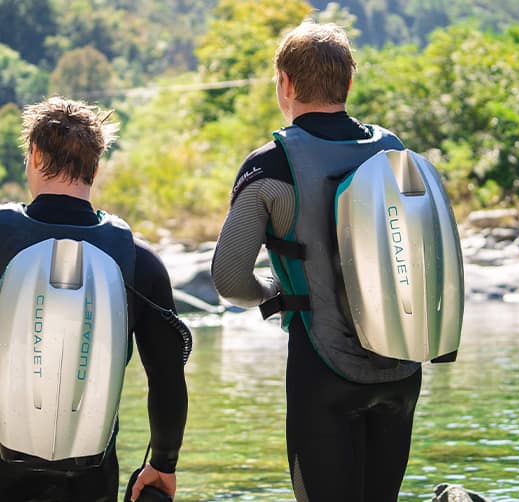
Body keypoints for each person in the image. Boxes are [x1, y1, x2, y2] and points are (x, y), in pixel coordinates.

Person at [0, 96, 187, 502]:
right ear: (96, 169)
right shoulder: (139, 260)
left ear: (34, 154)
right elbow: (167, 379)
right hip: (92, 476)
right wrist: (163, 463)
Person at [210, 23, 422, 501]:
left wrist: (273, 294)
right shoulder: (393, 153)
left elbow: (228, 279)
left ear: (285, 83)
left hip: (321, 369)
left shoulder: (270, 165)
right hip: (400, 369)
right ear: (348, 83)